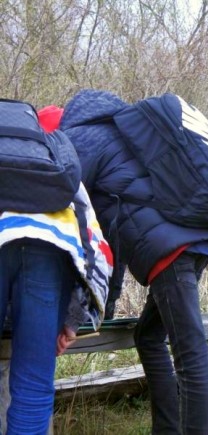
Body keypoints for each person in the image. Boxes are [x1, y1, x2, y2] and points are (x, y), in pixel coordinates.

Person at [61, 90, 208, 434]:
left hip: (169, 251)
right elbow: (111, 238)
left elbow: (83, 229)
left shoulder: (80, 139)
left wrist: (77, 313)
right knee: (148, 336)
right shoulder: (132, 133)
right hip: (199, 237)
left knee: (190, 353)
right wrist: (109, 301)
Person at [0, 105, 111, 432]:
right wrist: (71, 320)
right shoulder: (53, 160)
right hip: (50, 254)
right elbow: (93, 244)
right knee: (33, 384)